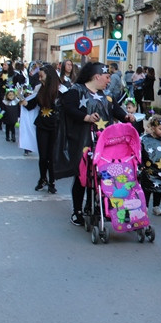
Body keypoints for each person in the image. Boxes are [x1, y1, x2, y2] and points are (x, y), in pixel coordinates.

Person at [56, 62, 136, 226]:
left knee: (102, 175)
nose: (109, 81)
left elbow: (117, 111)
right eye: (107, 77)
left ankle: (94, 206)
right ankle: (77, 211)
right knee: (82, 175)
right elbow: (69, 109)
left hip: (104, 142)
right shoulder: (75, 91)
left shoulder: (107, 95)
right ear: (97, 76)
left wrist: (127, 117)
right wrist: (86, 117)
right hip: (82, 140)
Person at [20, 65, 63, 194]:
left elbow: (64, 107)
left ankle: (52, 181)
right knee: (43, 156)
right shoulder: (40, 89)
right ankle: (42, 178)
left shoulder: (60, 90)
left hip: (55, 125)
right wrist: (22, 100)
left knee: (51, 155)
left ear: (48, 75)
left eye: (41, 75)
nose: (39, 77)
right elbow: (32, 105)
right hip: (42, 125)